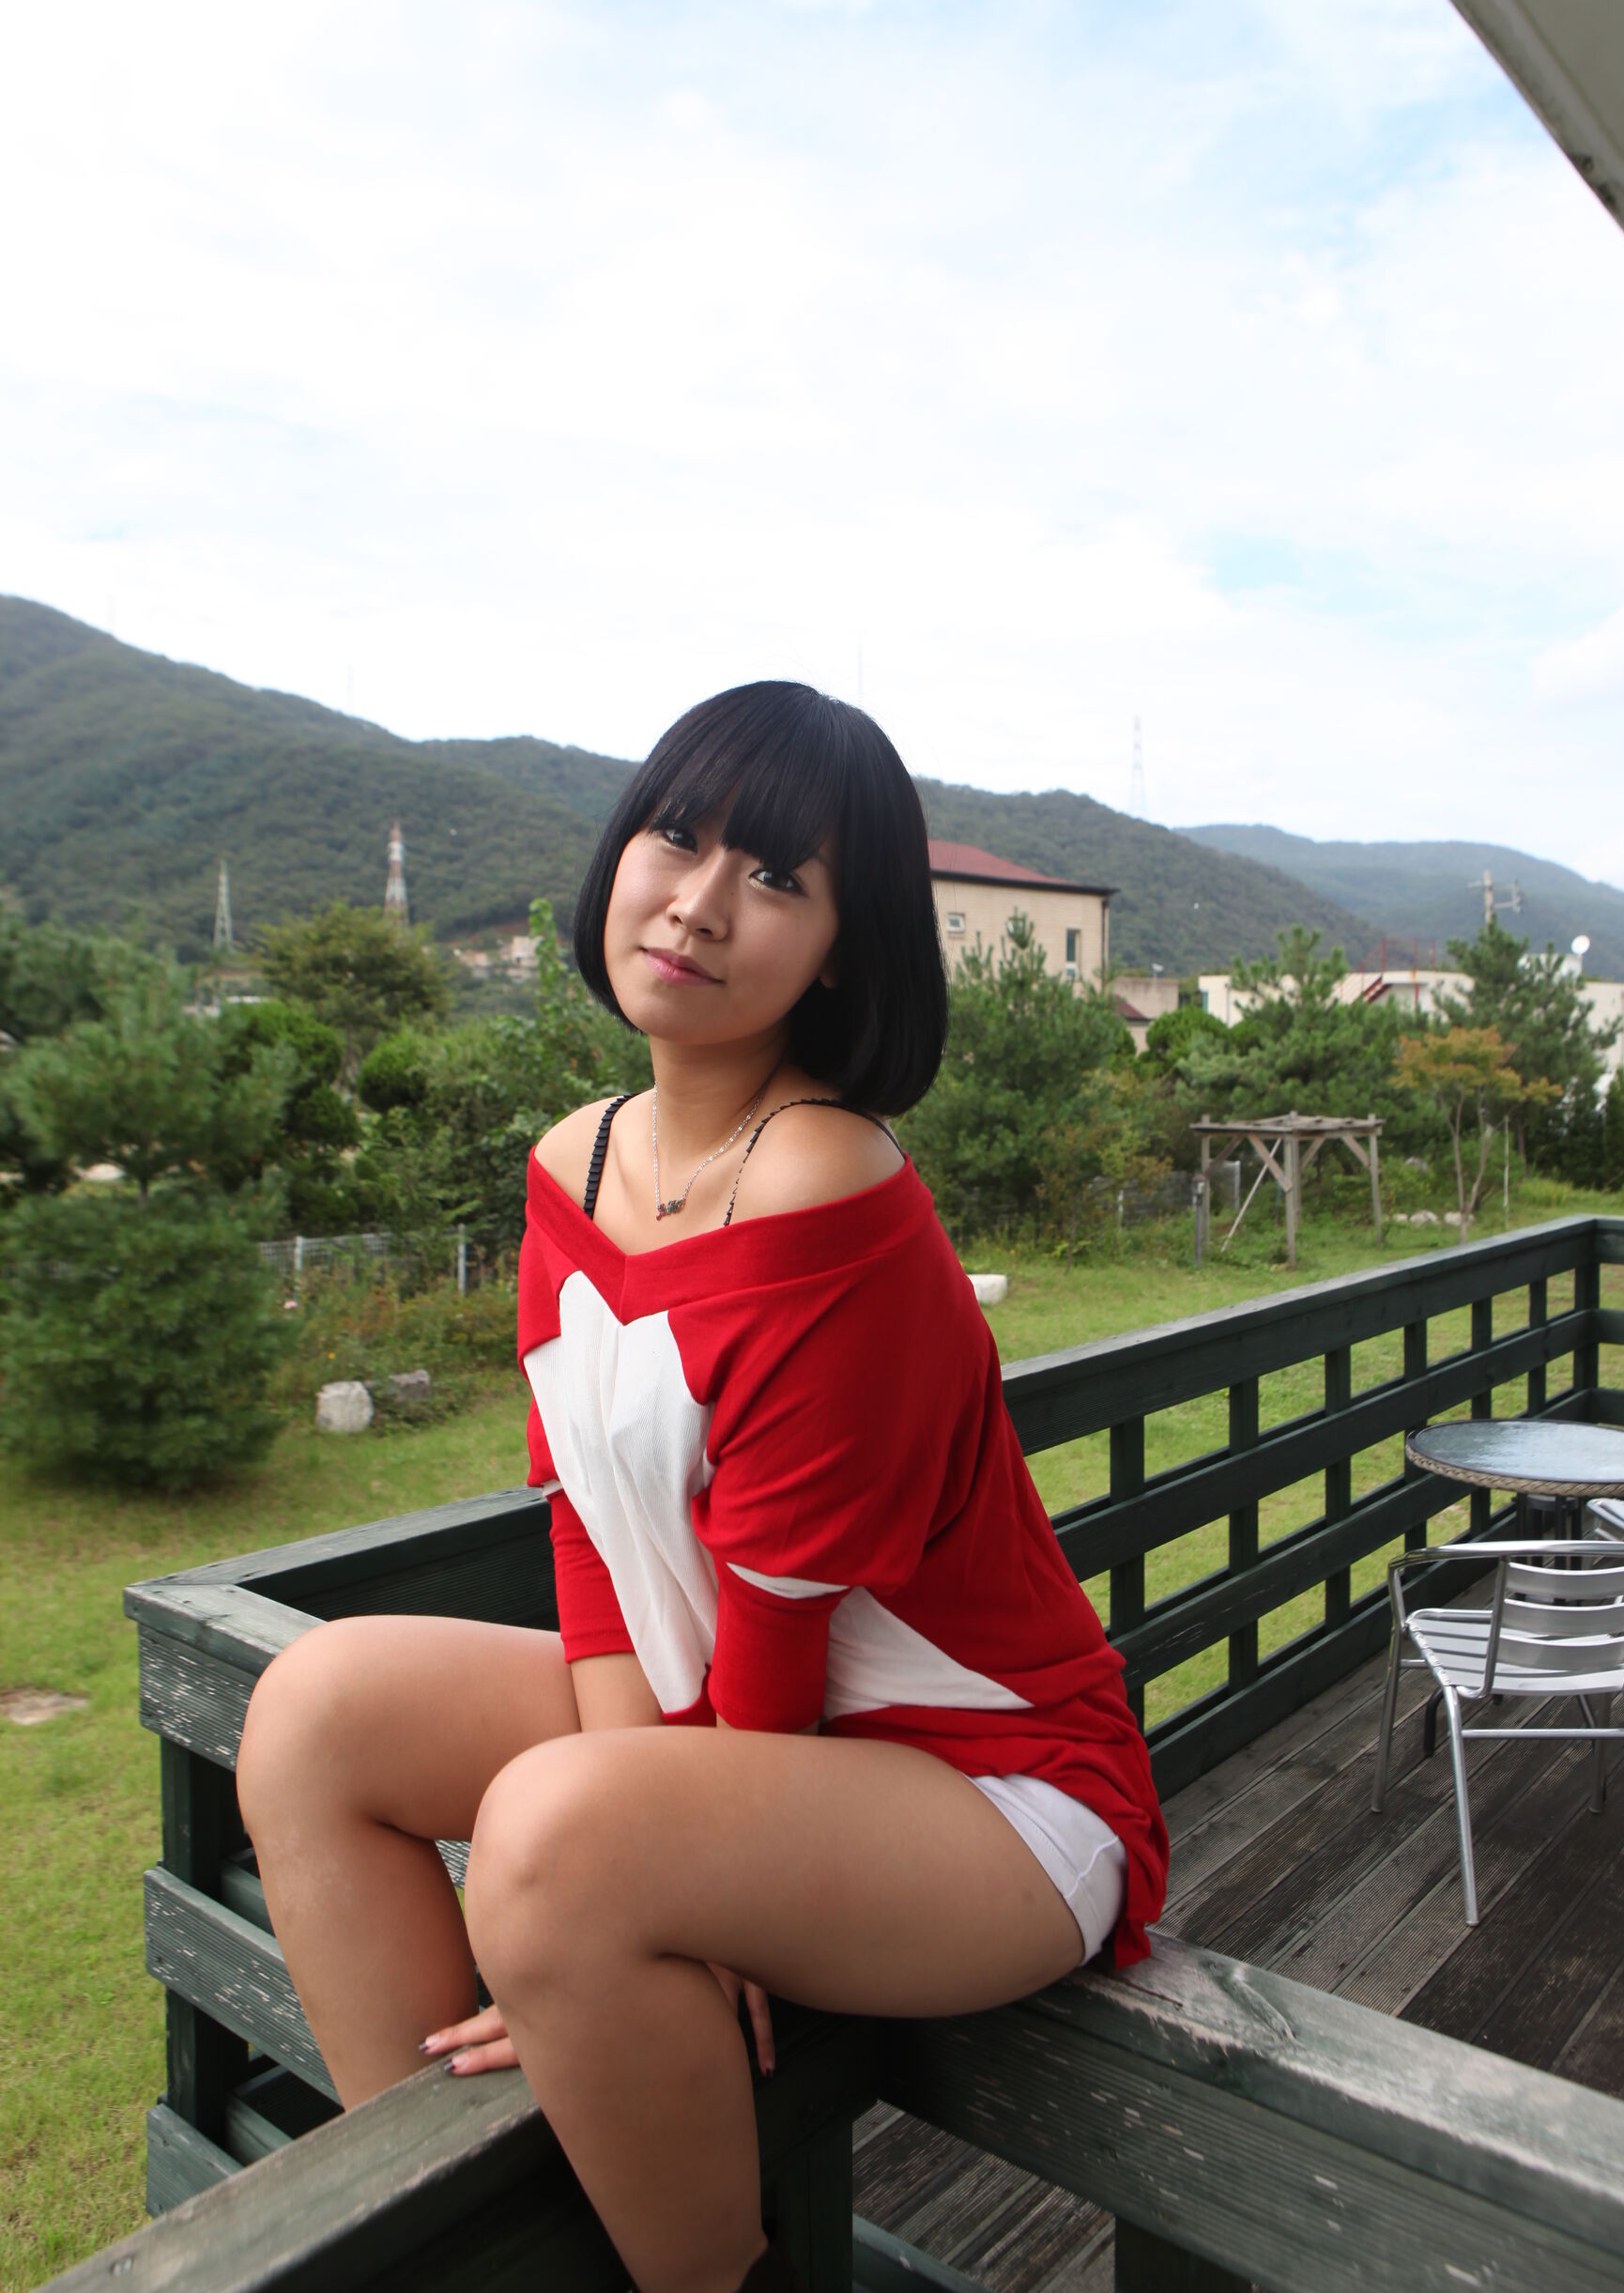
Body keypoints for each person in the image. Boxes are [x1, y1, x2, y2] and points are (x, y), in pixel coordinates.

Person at [237, 681, 1167, 2293]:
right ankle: (446, 2234)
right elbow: (590, 1534)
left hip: (996, 1787)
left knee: (557, 1839)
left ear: (843, 953)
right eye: (678, 837)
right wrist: (656, 1829)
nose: (699, 903)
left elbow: (783, 1625)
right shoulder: (575, 1163)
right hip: (738, 1733)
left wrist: (673, 1861)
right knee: (320, 1708)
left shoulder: (825, 1185)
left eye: (778, 878)